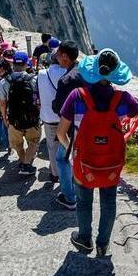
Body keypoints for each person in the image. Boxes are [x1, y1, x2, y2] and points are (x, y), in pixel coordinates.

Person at [57, 49, 138, 257]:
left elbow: (61, 133)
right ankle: (103, 244)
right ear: (115, 74)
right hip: (111, 162)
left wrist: (72, 151)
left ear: (92, 70)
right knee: (108, 201)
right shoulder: (122, 99)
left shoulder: (77, 97)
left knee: (84, 202)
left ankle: (84, 239)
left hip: (83, 160)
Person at [0, 52, 41, 176]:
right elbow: (39, 99)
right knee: (34, 141)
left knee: (17, 144)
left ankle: (23, 161)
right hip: (32, 119)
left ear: (13, 64)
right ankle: (27, 164)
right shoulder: (34, 79)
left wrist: (5, 118)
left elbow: (2, 102)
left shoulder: (5, 81)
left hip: (14, 119)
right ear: (27, 64)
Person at [50, 41, 82, 209]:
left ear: (64, 56)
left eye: (58, 53)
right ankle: (80, 191)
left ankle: (70, 197)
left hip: (70, 129)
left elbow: (59, 108)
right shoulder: (86, 72)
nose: (56, 56)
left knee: (62, 159)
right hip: (89, 126)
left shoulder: (66, 80)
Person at [36, 52, 67, 185]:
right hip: (64, 116)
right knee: (66, 144)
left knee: (52, 147)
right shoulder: (67, 72)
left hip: (48, 116)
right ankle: (67, 171)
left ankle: (55, 174)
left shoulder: (42, 74)